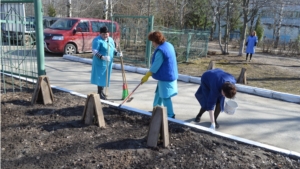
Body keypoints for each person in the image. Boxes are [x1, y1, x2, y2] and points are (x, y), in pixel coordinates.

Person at [141, 31, 178, 118]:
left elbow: (155, 66)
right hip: (169, 74)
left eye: (152, 41)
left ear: (156, 41)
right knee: (159, 92)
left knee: (165, 96)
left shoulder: (161, 51)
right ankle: (156, 108)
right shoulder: (168, 45)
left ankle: (170, 115)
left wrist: (147, 75)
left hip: (166, 76)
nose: (152, 43)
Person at [90, 26, 123, 100]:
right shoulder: (97, 40)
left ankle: (102, 92)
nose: (106, 35)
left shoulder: (110, 40)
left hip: (108, 62)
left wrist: (117, 53)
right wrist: (102, 57)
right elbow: (94, 51)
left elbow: (113, 49)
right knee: (100, 77)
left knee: (105, 77)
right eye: (104, 34)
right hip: (100, 63)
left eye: (107, 34)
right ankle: (99, 92)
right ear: (101, 34)